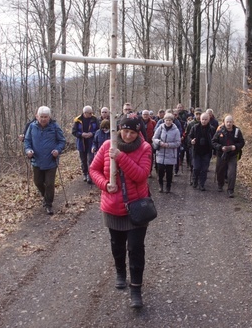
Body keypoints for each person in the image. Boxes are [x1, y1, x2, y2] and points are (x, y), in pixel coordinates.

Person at [90, 116, 153, 309]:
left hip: (136, 209)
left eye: (132, 132)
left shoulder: (145, 148)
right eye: (125, 131)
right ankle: (120, 273)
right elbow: (94, 169)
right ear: (119, 129)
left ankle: (136, 288)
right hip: (112, 207)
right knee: (117, 245)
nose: (127, 135)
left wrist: (120, 157)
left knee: (135, 249)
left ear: (138, 133)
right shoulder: (108, 144)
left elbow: (141, 176)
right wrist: (104, 183)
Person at [24, 106, 66, 215]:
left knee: (49, 183)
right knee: (37, 182)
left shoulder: (55, 127)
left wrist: (57, 150)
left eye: (45, 117)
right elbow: (27, 140)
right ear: (37, 116)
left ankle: (48, 204)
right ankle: (45, 196)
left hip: (51, 160)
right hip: (36, 160)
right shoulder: (32, 127)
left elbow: (62, 141)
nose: (43, 119)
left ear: (49, 117)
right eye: (41, 117)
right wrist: (28, 150)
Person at [212, 114, 245, 198]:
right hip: (222, 154)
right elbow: (213, 142)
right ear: (224, 122)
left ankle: (230, 190)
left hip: (233, 155)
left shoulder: (237, 131)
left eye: (230, 122)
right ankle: (220, 184)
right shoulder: (220, 131)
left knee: (232, 173)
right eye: (227, 122)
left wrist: (235, 147)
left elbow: (242, 142)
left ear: (233, 122)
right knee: (220, 171)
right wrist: (220, 147)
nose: (229, 124)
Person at [152, 113, 181, 193]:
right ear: (164, 120)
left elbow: (178, 142)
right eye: (166, 120)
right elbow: (154, 138)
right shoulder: (160, 128)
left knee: (169, 173)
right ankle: (160, 185)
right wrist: (159, 142)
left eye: (170, 120)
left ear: (172, 121)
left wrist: (168, 145)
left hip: (170, 154)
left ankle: (168, 186)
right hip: (160, 153)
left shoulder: (176, 130)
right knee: (160, 171)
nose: (168, 122)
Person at [72, 105, 99, 184]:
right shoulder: (77, 120)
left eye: (92, 113)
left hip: (92, 142)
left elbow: (98, 130)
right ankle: (85, 173)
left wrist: (92, 133)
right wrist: (81, 134)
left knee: (91, 159)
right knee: (83, 160)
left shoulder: (94, 119)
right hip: (81, 143)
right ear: (85, 113)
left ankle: (90, 175)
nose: (91, 114)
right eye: (89, 113)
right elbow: (74, 132)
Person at [189, 112, 216, 190]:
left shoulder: (212, 129)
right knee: (196, 168)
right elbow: (189, 137)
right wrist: (191, 141)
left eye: (205, 119)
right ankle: (195, 181)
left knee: (204, 169)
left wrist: (215, 152)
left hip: (207, 152)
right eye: (202, 119)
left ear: (209, 120)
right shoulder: (195, 127)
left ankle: (202, 184)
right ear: (200, 119)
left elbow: (215, 141)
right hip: (196, 151)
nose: (204, 121)